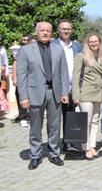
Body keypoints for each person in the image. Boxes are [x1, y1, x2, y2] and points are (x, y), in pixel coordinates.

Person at [17, 22, 69, 169]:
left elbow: (64, 73)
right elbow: (22, 76)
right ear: (37, 32)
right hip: (34, 93)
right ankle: (35, 155)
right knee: (35, 126)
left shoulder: (58, 49)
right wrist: (23, 97)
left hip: (55, 93)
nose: (45, 33)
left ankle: (54, 153)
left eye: (48, 30)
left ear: (52, 32)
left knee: (54, 126)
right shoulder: (26, 50)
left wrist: (65, 92)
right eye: (42, 30)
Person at [72, 34, 102, 161]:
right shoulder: (81, 56)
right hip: (86, 93)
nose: (94, 44)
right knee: (86, 122)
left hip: (99, 93)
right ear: (87, 43)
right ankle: (86, 147)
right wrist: (76, 95)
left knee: (95, 120)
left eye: (96, 41)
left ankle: (92, 145)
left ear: (100, 42)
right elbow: (75, 77)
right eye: (91, 42)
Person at [52, 19, 82, 151]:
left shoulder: (77, 46)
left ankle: (69, 140)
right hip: (58, 87)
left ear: (72, 30)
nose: (66, 31)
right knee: (55, 118)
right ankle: (54, 143)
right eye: (63, 28)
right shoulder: (52, 45)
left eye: (68, 28)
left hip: (73, 87)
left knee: (70, 115)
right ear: (58, 30)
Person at [12, 34, 33, 127]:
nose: (23, 41)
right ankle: (23, 117)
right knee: (20, 96)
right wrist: (14, 77)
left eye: (25, 40)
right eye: (23, 40)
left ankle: (31, 116)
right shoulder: (21, 50)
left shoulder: (34, 50)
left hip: (32, 79)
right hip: (22, 78)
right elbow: (15, 64)